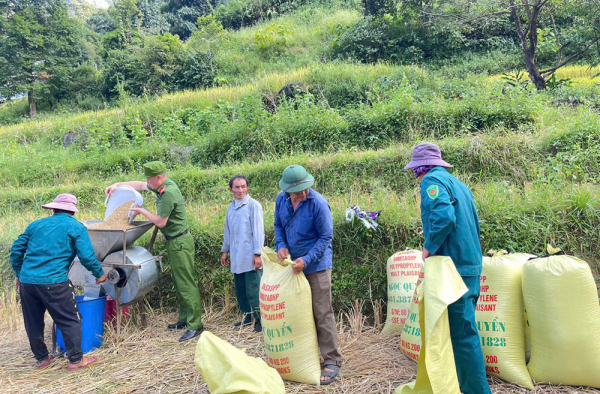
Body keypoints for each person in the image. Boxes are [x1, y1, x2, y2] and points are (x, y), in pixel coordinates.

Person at [404, 142, 492, 394]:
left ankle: (477, 391)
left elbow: (444, 217)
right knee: (462, 330)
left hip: (455, 269)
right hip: (469, 264)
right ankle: (461, 385)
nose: (415, 176)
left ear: (420, 168)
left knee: (463, 336)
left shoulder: (431, 182)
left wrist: (429, 246)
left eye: (415, 171)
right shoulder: (458, 183)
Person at [104, 161, 203, 342]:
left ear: (159, 177)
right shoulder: (161, 185)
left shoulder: (168, 193)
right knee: (179, 281)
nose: (147, 182)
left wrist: (142, 211)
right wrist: (117, 185)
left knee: (186, 282)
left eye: (150, 178)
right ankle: (184, 319)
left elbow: (161, 222)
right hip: (174, 242)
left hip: (180, 242)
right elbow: (140, 186)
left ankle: (195, 325)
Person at [10, 193, 107, 371]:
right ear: (73, 212)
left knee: (33, 321)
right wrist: (99, 274)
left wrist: (18, 273)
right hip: (54, 283)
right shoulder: (76, 227)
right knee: (70, 319)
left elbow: (16, 250)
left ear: (53, 208)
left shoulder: (36, 225)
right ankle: (76, 360)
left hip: (27, 283)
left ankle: (42, 358)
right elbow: (86, 256)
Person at [273, 165, 342, 385]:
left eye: (305, 189)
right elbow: (278, 226)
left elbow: (325, 237)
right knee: (299, 314)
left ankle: (332, 360)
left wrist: (307, 260)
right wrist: (281, 245)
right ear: (287, 191)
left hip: (317, 265)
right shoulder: (280, 201)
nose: (303, 193)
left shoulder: (319, 204)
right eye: (298, 191)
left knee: (322, 312)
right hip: (293, 265)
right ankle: (307, 357)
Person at [220, 175, 265, 333]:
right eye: (237, 187)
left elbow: (258, 231)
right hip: (237, 256)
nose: (240, 190)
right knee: (241, 289)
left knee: (254, 289)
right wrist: (225, 250)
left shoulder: (253, 206)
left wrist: (258, 253)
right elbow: (228, 232)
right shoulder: (231, 207)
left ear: (247, 188)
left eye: (243, 186)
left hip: (251, 256)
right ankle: (248, 317)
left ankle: (261, 319)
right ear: (230, 189)